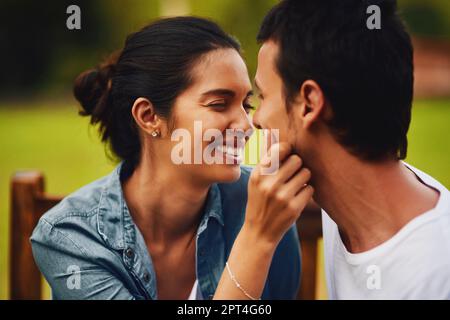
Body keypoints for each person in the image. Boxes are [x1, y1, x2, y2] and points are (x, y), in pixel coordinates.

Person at [30, 16, 313, 300]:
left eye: (246, 104)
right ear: (149, 116)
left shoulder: (263, 203)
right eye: (218, 104)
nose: (246, 125)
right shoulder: (70, 237)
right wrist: (256, 239)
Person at [253, 0, 450, 299]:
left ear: (309, 103)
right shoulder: (341, 196)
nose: (255, 119)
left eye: (263, 96)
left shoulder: (435, 276)